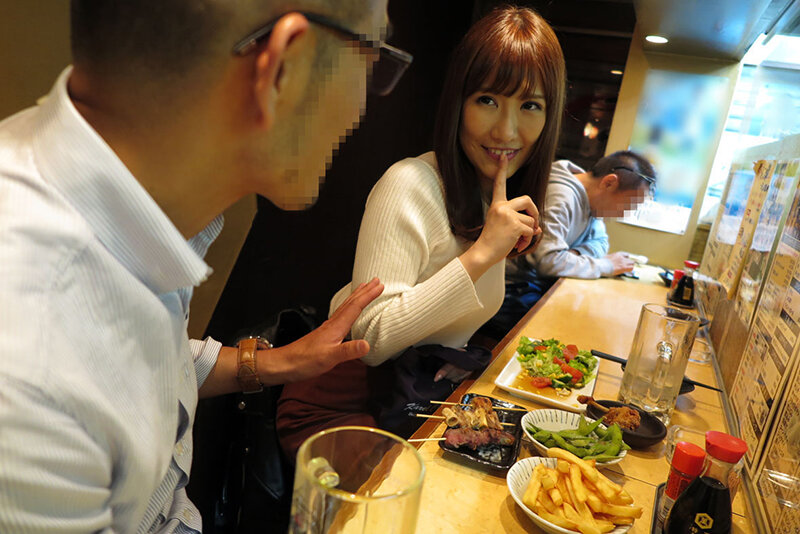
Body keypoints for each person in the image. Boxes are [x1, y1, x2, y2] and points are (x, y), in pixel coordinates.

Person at [0, 1, 410, 532]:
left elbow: (142, 362)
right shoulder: (31, 379)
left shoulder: (130, 190)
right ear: (284, 70)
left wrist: (281, 362)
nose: (365, 106)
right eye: (373, 57)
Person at [276, 5, 566, 455]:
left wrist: (452, 355)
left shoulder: (490, 197)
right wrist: (481, 254)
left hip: (409, 398)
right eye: (487, 100)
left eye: (530, 106)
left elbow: (441, 319)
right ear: (458, 103)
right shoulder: (409, 184)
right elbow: (371, 338)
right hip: (341, 408)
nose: (507, 130)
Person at [483, 150, 656, 338]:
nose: (624, 214)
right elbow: (549, 262)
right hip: (509, 288)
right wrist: (606, 265)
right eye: (628, 206)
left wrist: (570, 255)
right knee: (577, 328)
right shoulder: (561, 195)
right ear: (609, 183)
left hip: (537, 283)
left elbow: (601, 243)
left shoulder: (592, 202)